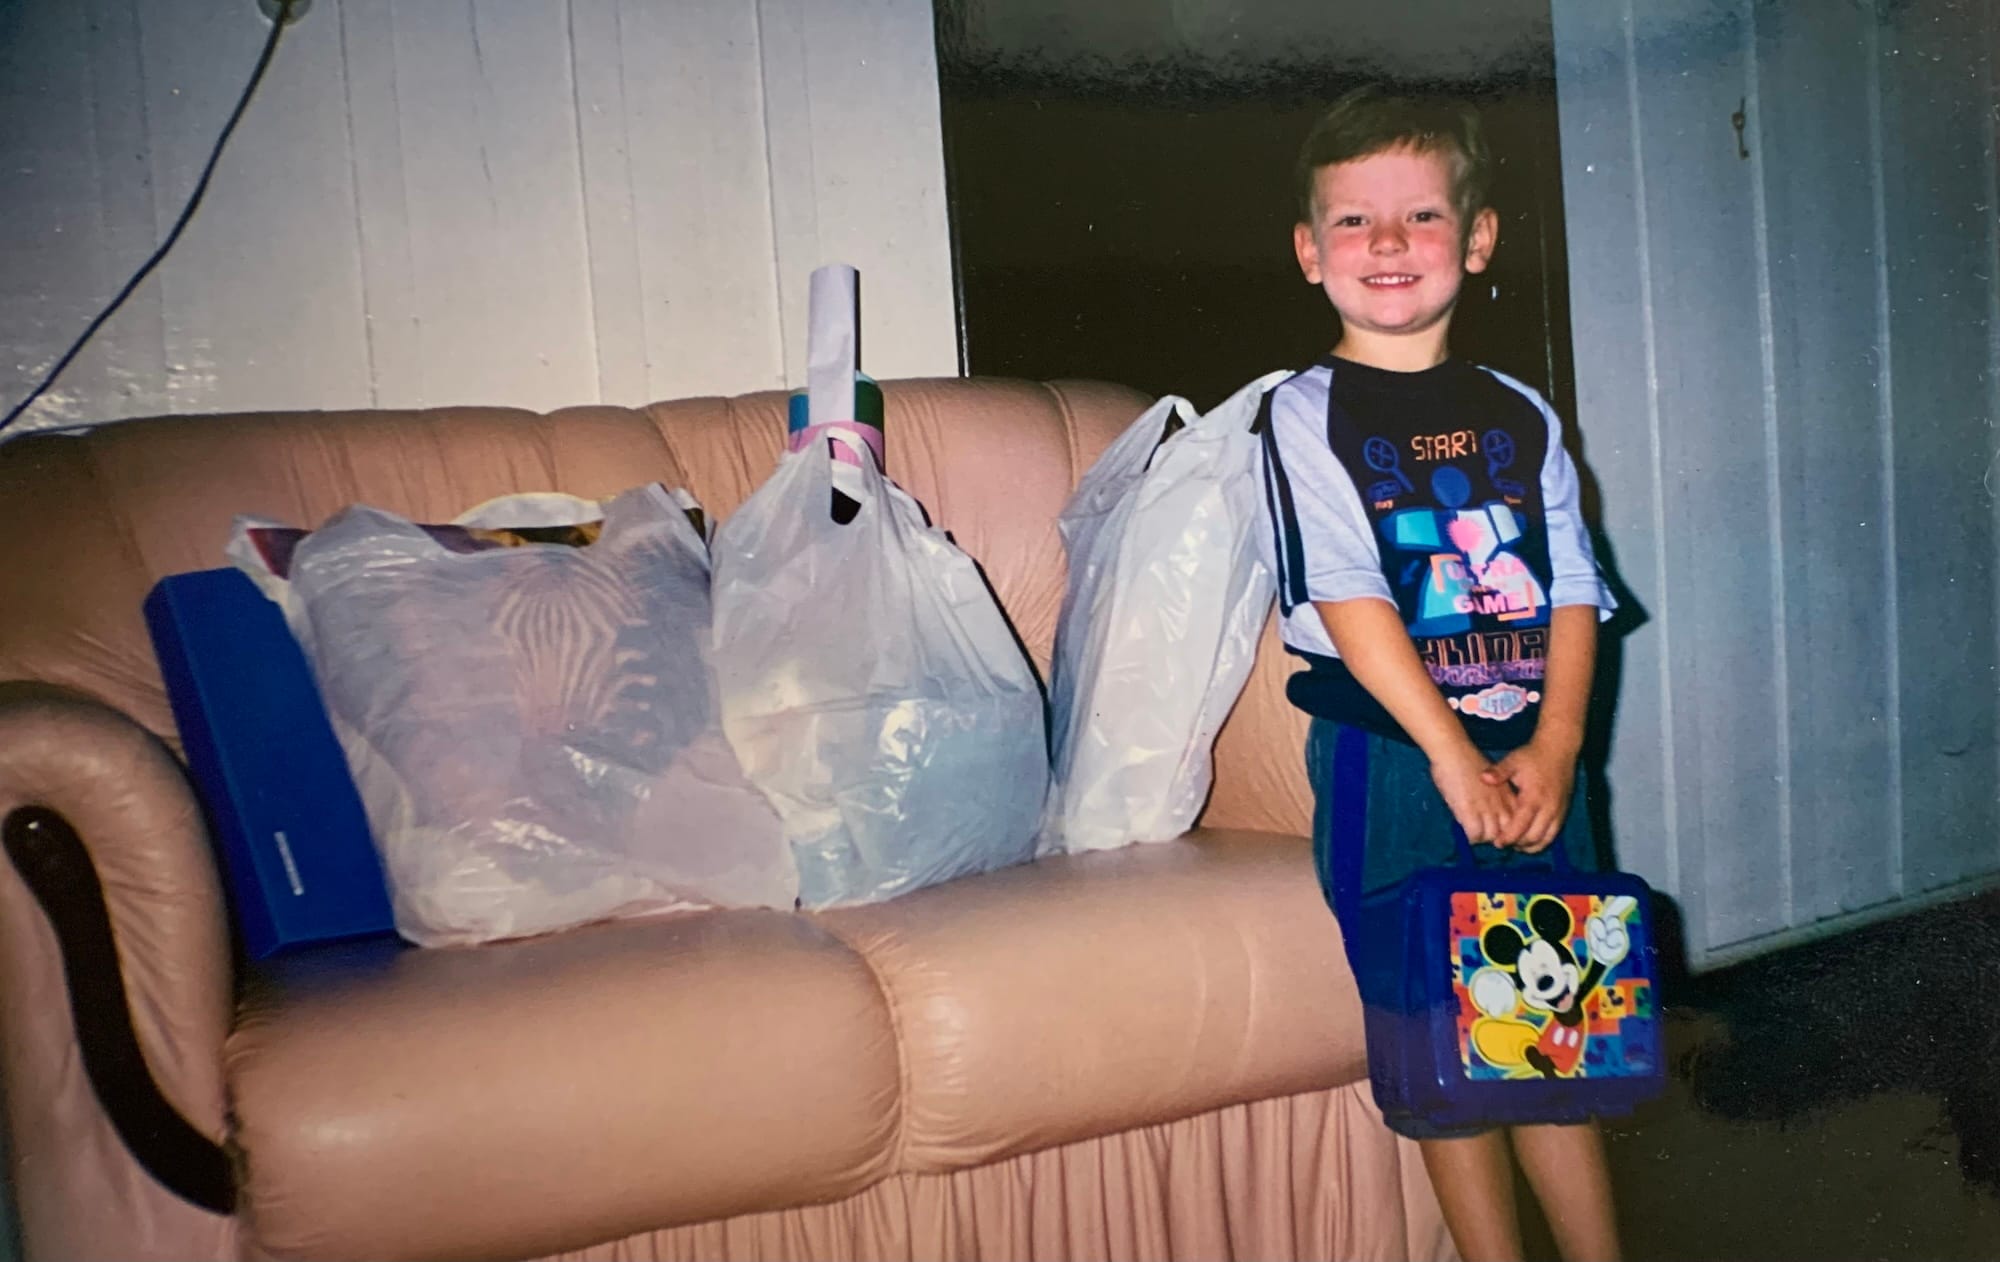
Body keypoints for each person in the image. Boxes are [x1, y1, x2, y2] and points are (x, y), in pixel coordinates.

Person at [1260, 85, 1624, 1261]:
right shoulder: (1300, 412)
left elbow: (1572, 585)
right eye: (1353, 222)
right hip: (1396, 765)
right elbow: (1349, 597)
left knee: (1551, 1037)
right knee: (1439, 1047)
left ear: (1474, 239)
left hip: (1528, 757)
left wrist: (1556, 746)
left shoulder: (1517, 413)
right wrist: (1450, 753)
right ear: (1310, 251)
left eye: (1417, 216)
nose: (1385, 245)